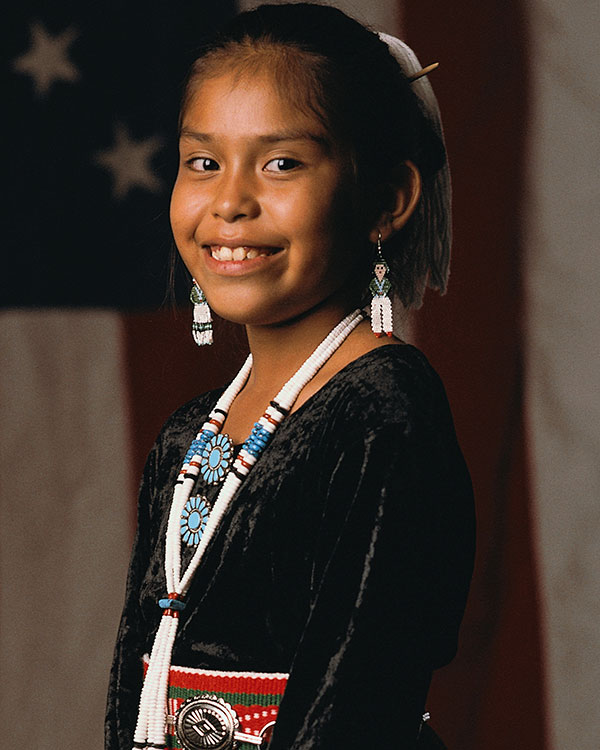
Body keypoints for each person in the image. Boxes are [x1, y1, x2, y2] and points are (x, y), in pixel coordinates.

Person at [105, 4, 475, 749]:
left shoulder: (382, 412)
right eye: (203, 162)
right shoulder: (191, 434)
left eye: (282, 163)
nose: (231, 202)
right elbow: (133, 678)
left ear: (386, 201)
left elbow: (359, 692)